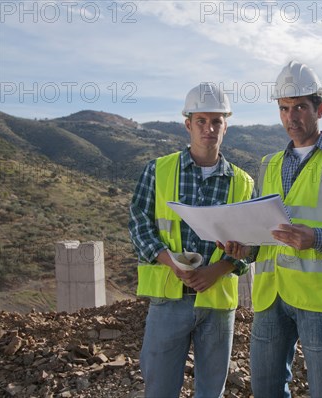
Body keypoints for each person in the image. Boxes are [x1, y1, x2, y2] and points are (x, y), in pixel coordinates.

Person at [221, 61, 322, 397]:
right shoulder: (269, 164)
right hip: (271, 294)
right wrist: (245, 249)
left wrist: (318, 237)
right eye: (284, 109)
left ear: (319, 109)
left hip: (319, 297)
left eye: (300, 108)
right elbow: (264, 230)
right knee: (265, 388)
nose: (291, 118)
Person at [128, 82, 254, 398]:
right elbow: (139, 224)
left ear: (226, 125)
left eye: (216, 121)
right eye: (201, 121)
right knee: (159, 389)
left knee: (211, 392)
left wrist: (220, 269)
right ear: (188, 124)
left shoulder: (242, 182)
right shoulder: (157, 171)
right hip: (168, 300)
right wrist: (169, 261)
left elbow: (252, 245)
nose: (209, 128)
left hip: (217, 303)